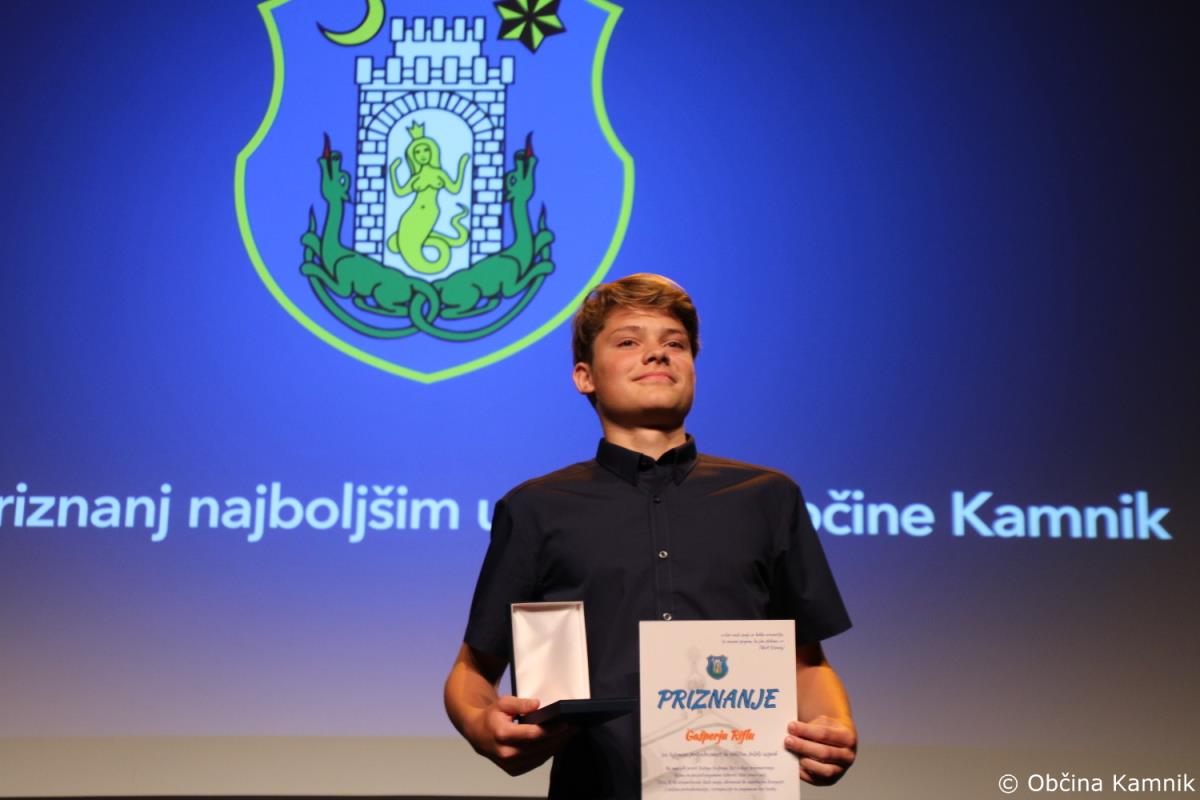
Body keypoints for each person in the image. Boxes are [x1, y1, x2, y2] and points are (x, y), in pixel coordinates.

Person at [444, 273, 856, 798]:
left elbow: (807, 663)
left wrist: (834, 725)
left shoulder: (768, 497)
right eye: (628, 342)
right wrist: (481, 724)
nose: (657, 353)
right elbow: (473, 671)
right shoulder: (535, 508)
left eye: (675, 344)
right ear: (585, 377)